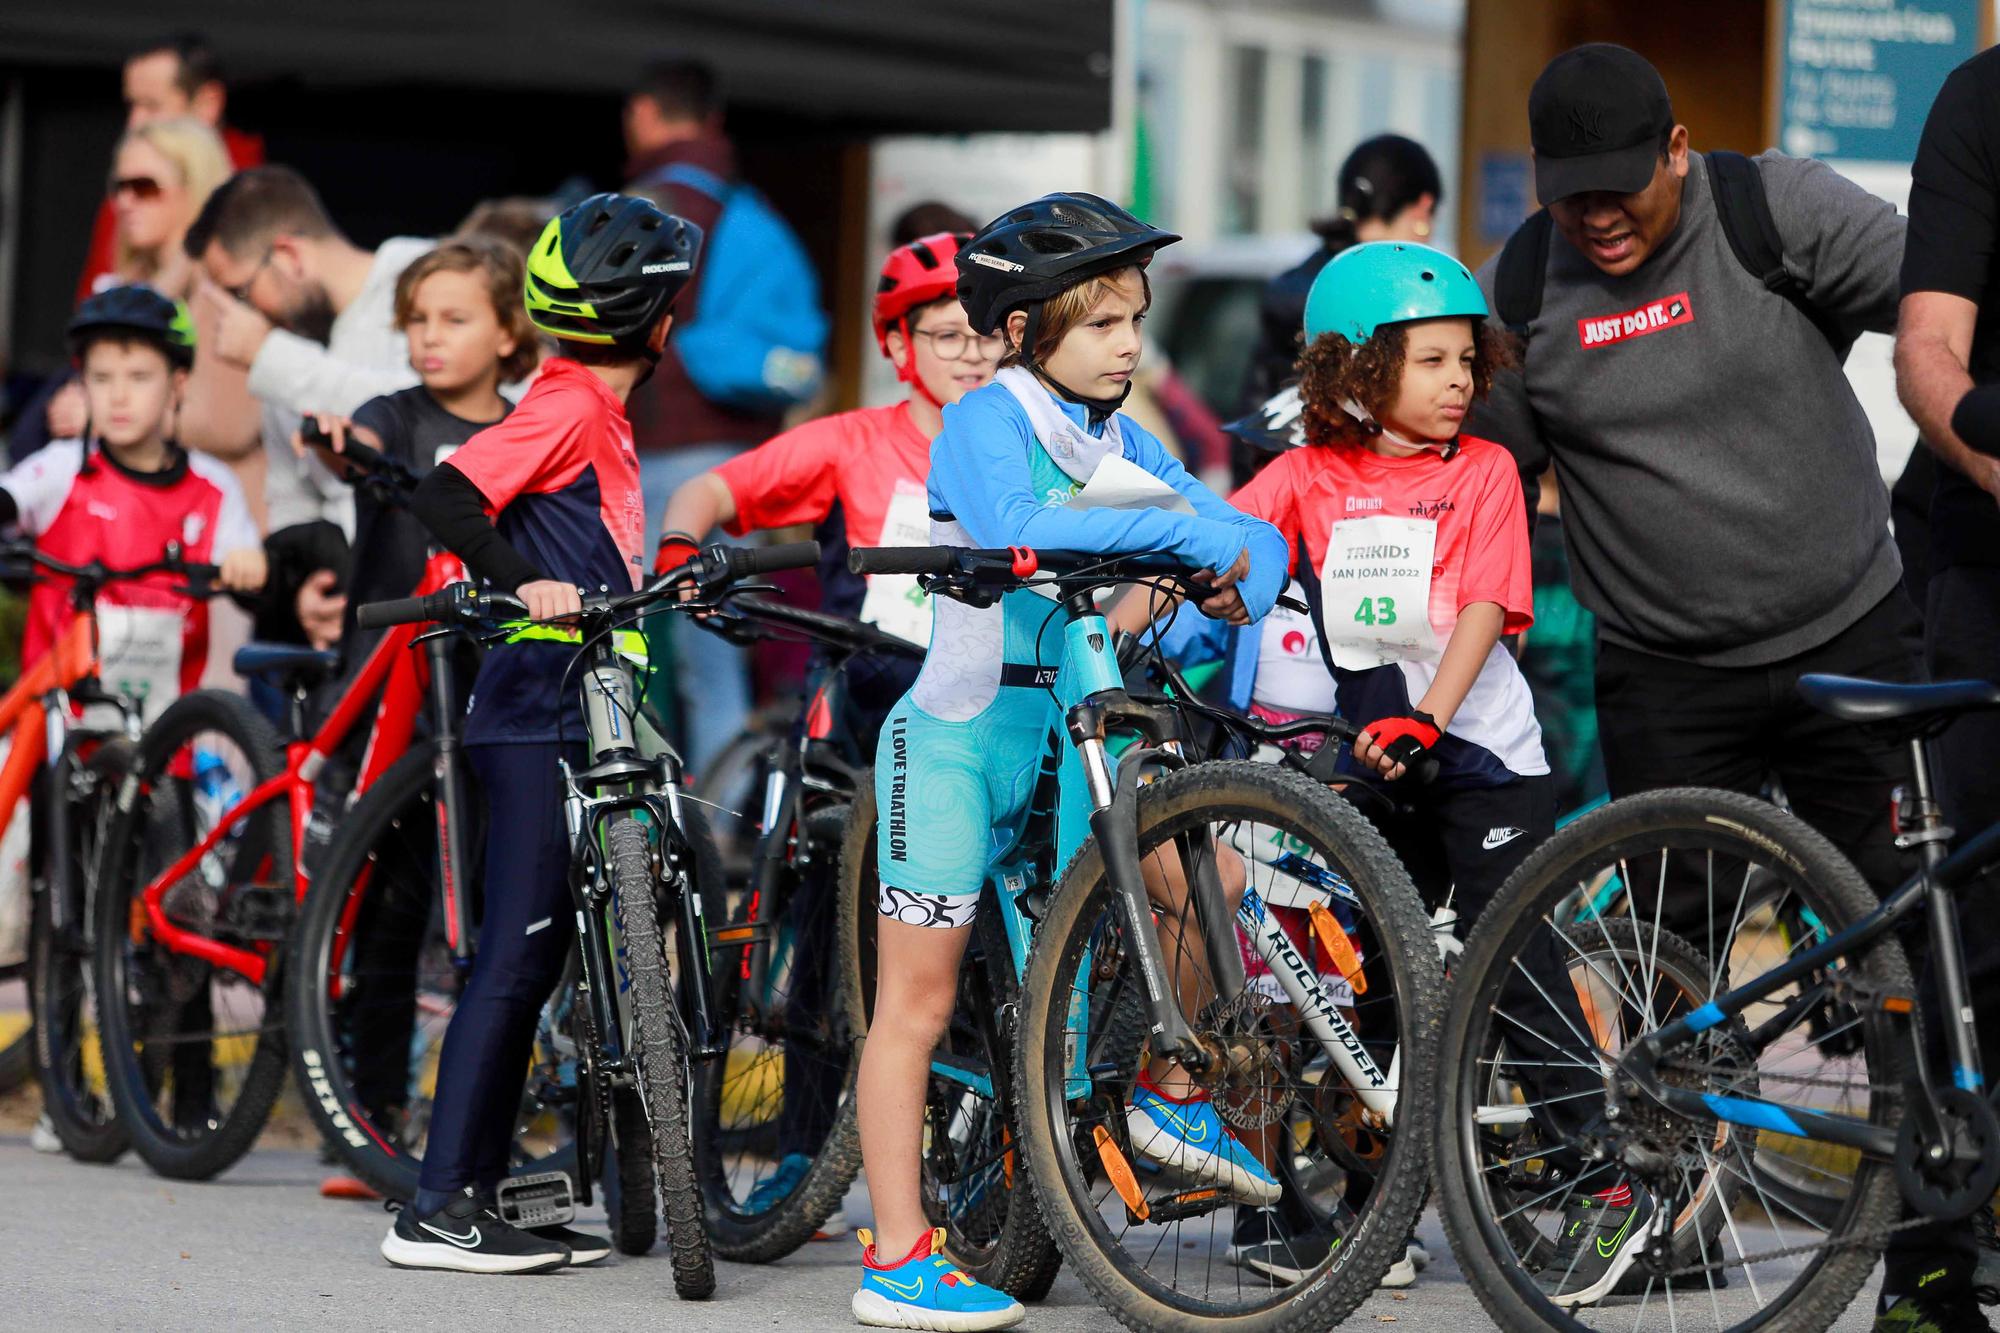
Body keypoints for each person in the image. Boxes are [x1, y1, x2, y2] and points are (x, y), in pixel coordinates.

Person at [1466, 42, 1928, 1316]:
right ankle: (1671, 1226)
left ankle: (1933, 1237)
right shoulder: (1512, 291)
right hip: (1665, 668)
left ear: (1676, 151)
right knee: (1675, 973)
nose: (1599, 216)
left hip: (1850, 635)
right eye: (1573, 196)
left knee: (1914, 936)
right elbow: (1463, 469)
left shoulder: (1771, 209)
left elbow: (1946, 303)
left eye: (1623, 184)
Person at [851, 193, 1286, 1331]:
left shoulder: (1121, 440)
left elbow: (1241, 528)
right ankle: (895, 1253)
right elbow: (1002, 525)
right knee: (916, 1000)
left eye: (1134, 320)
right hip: (953, 741)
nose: (1129, 344)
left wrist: (1242, 556)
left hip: (1069, 741)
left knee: (1208, 886)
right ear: (1025, 326)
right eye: (1101, 324)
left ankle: (1167, 1085)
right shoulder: (984, 416)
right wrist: (1188, 541)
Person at [384, 194, 697, 1274]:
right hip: (530, 713)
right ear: (652, 320)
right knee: (512, 959)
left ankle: (478, 1188)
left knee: (538, 952)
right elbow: (447, 494)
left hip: (576, 710)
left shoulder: (593, 413)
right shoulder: (566, 405)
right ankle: (435, 1206)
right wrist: (531, 583)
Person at [656, 232, 993, 1220]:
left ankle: (984, 1154)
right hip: (864, 706)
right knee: (819, 921)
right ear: (899, 346)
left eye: (984, 336)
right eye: (944, 334)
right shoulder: (852, 441)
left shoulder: (1026, 447)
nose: (969, 354)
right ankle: (804, 1139)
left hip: (989, 709)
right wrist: (683, 542)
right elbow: (713, 489)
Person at [623, 57, 825, 770]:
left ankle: (678, 826)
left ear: (644, 114)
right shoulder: (749, 211)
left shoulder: (647, 207)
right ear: (712, 122)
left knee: (636, 656)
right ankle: (727, 821)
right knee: (717, 660)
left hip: (658, 457)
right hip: (736, 456)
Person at [1893, 42, 2000, 1333]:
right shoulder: (1983, 100)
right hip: (1980, 538)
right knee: (1970, 919)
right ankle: (1924, 1263)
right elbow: (1930, 344)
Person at [184, 165, 429, 652]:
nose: (244, 315)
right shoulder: (289, 347)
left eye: (240, 293)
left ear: (289, 256)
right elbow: (291, 500)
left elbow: (423, 415)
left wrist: (270, 356)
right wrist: (307, 593)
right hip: (361, 630)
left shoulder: (423, 277)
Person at [0, 286, 265, 711]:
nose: (118, 396)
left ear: (177, 384)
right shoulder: (63, 466)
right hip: (55, 712)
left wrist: (247, 562)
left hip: (167, 724)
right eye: (101, 379)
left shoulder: (215, 487)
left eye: (139, 378)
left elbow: (243, 555)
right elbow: (12, 497)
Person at [21, 117, 239, 465]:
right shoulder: (129, 283)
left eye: (144, 187)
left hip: (208, 509)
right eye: (118, 187)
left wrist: (101, 414)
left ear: (194, 187)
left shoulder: (225, 287)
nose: (124, 202)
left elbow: (229, 425)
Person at [1238, 135, 1442, 443]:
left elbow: (1254, 412)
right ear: (1423, 210)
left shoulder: (1296, 289)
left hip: (1271, 475)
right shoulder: (1393, 303)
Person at [74, 33, 265, 306]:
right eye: (131, 105)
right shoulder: (129, 191)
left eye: (152, 105)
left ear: (208, 103)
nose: (135, 121)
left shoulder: (256, 201)